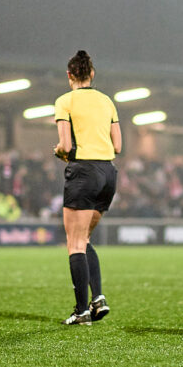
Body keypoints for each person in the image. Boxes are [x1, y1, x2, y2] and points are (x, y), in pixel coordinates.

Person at [54, 50, 121, 326]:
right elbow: (118, 146)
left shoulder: (64, 101)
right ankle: (98, 299)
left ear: (70, 75)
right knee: (85, 239)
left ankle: (81, 311)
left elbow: (66, 147)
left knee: (74, 243)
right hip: (108, 173)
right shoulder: (107, 101)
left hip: (83, 171)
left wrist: (59, 152)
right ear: (92, 74)